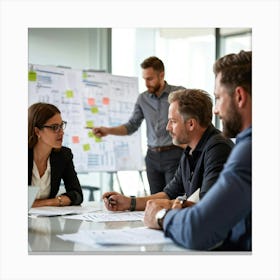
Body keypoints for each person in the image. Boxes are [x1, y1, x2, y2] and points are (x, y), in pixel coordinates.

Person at [144, 50, 252, 251]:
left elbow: (200, 228)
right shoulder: (190, 153)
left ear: (239, 96)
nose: (216, 110)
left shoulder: (246, 150)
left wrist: (161, 216)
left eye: (218, 98)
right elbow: (174, 194)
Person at [102, 89, 234, 212]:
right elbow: (169, 194)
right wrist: (129, 202)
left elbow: (207, 206)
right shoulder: (190, 150)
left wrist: (162, 211)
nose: (167, 127)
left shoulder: (218, 149)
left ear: (191, 124)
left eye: (172, 121)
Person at [93, 56, 185, 194]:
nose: (146, 83)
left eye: (150, 79)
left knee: (172, 198)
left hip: (174, 154)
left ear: (162, 75)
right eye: (144, 79)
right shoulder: (143, 99)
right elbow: (131, 126)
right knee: (154, 200)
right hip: (152, 158)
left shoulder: (178, 94)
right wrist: (107, 130)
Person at [28, 102, 83, 207]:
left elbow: (77, 194)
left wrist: (49, 202)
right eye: (54, 127)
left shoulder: (63, 155)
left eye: (61, 126)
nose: (61, 132)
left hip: (48, 220)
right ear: (37, 131)